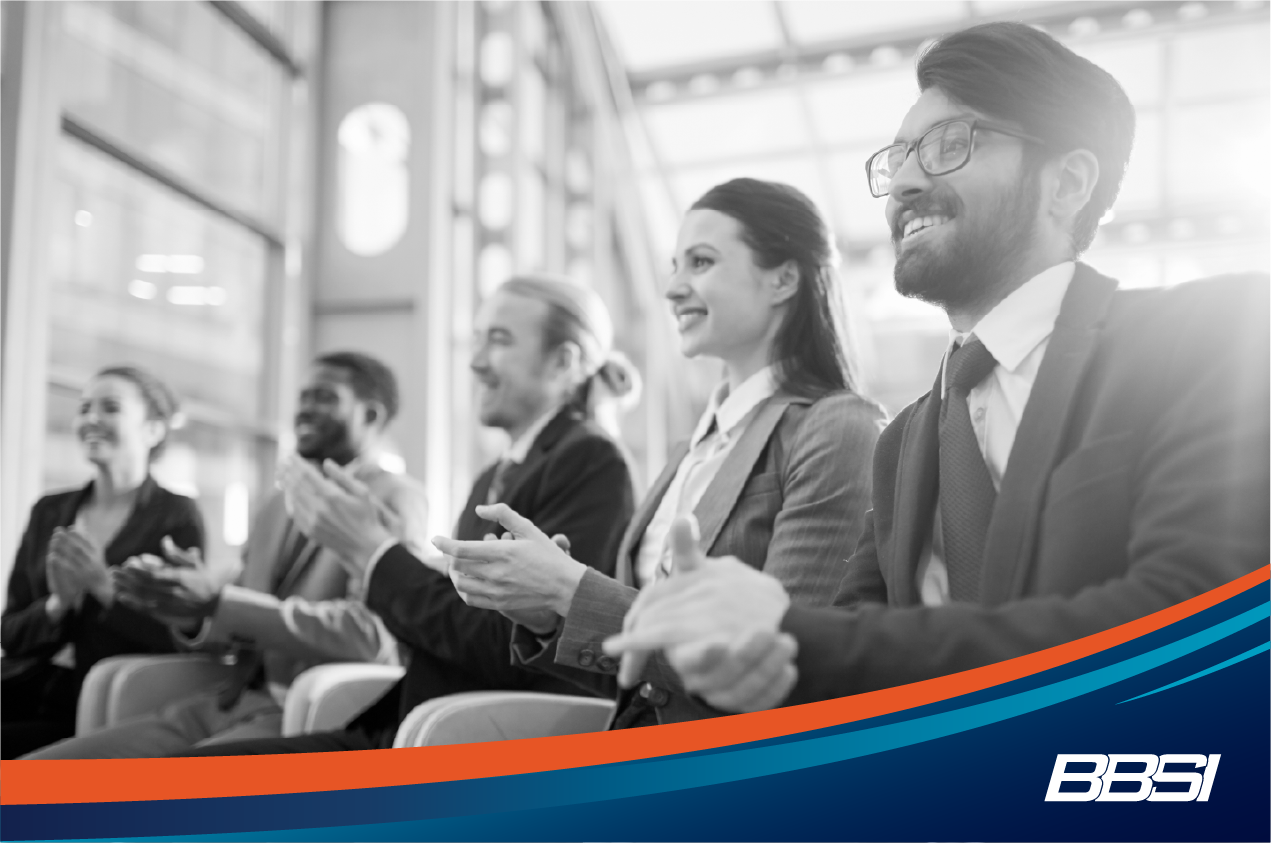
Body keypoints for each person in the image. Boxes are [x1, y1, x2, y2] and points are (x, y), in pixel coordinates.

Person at [602, 22, 1271, 715]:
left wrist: (795, 635)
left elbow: (1191, 624)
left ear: (1067, 182)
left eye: (949, 144)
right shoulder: (902, 443)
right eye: (897, 159)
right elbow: (850, 635)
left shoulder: (1209, 334)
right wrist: (752, 655)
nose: (905, 184)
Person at [439, 178, 886, 727]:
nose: (673, 289)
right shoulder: (690, 452)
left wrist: (570, 588)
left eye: (700, 263)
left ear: (784, 278)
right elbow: (642, 683)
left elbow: (784, 661)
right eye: (674, 266)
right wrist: (549, 614)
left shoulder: (835, 427)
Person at [172, 274, 638, 755]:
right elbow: (455, 624)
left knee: (175, 786)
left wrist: (373, 551)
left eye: (498, 340)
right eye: (476, 340)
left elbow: (507, 645)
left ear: (564, 362)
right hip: (409, 722)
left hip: (467, 739)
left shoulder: (590, 461)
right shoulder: (496, 475)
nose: (476, 362)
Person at [23, 351, 429, 758]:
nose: (304, 409)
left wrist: (218, 603)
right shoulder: (280, 502)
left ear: (371, 416)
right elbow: (233, 607)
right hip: (228, 698)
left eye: (323, 397)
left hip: (304, 711)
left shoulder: (395, 498)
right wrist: (189, 605)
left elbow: (372, 635)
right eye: (302, 396)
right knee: (34, 776)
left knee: (119, 800)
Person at [0, 366, 205, 758]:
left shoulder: (176, 516)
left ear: (153, 430)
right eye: (84, 408)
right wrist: (58, 605)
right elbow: (10, 632)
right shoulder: (49, 511)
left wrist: (103, 587)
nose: (91, 419)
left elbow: (177, 638)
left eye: (110, 408)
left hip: (103, 699)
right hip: (26, 683)